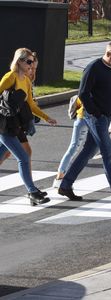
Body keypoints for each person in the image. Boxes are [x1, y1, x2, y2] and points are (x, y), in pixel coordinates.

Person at [58, 41, 111, 205]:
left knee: (87, 152)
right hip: (94, 117)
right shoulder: (93, 68)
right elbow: (83, 94)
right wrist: (97, 114)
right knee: (108, 153)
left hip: (106, 117)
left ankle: (65, 185)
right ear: (108, 54)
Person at [0, 48, 57, 205]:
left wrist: (46, 117)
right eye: (29, 62)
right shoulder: (10, 77)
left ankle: (32, 192)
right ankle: (32, 192)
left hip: (15, 124)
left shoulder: (25, 80)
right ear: (19, 61)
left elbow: (31, 104)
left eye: (32, 62)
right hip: (4, 125)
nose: (31, 65)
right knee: (23, 157)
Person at [53, 97, 111, 189]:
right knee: (76, 147)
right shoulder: (93, 87)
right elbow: (87, 100)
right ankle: (59, 179)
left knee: (103, 149)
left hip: (89, 119)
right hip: (85, 119)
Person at [0, 52, 39, 167]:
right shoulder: (13, 77)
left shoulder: (26, 80)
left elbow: (30, 103)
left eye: (35, 68)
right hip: (10, 121)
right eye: (30, 66)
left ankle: (30, 184)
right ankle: (30, 185)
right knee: (24, 154)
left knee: (7, 152)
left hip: (19, 121)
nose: (32, 71)